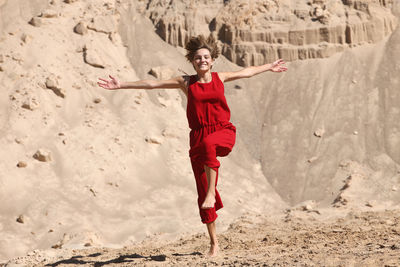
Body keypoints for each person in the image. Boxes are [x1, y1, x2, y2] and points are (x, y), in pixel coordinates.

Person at [98, 34, 287, 257]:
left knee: (209, 147)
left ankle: (211, 194)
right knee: (202, 191)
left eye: (206, 57)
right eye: (198, 58)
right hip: (198, 138)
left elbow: (246, 72)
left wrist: (269, 67)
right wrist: (122, 85)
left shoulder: (220, 77)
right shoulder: (186, 82)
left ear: (213, 60)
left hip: (222, 131)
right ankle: (214, 242)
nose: (202, 60)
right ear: (193, 62)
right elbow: (152, 83)